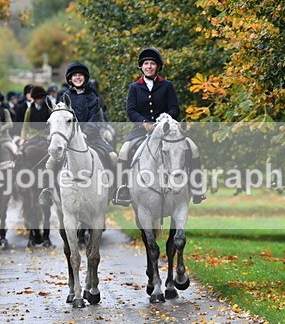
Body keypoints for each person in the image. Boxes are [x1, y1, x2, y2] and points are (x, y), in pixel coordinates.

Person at [113, 47, 206, 206]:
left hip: (166, 130)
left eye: (152, 64)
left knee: (193, 147)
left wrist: (164, 121)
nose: (149, 66)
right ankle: (123, 188)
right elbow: (131, 110)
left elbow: (174, 108)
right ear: (141, 67)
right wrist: (144, 124)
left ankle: (196, 186)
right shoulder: (134, 87)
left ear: (158, 67)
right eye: (146, 64)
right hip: (140, 130)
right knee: (124, 151)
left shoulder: (167, 85)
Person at [39, 62, 117, 206]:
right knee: (50, 162)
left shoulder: (93, 97)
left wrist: (85, 133)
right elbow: (60, 119)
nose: (77, 77)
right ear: (70, 79)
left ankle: (116, 190)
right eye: (74, 75)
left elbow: (94, 119)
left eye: (80, 75)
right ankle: (47, 191)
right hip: (69, 139)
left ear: (85, 78)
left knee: (113, 157)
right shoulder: (65, 97)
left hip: (92, 136)